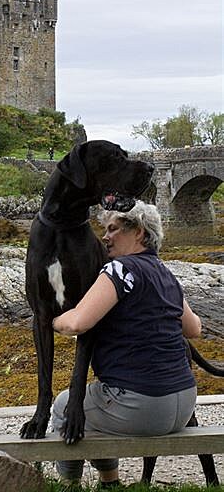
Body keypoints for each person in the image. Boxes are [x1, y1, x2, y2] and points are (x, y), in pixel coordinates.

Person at [52, 201, 201, 487]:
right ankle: (109, 483)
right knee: (95, 404)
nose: (105, 237)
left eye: (113, 229)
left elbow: (78, 324)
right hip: (183, 403)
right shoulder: (164, 273)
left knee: (65, 406)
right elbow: (194, 328)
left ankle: (67, 484)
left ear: (139, 233)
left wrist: (55, 321)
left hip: (141, 406)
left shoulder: (120, 269)